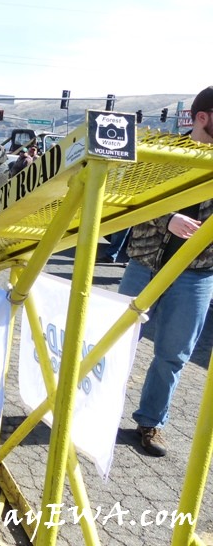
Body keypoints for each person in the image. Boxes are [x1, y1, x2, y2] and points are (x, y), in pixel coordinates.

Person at [118, 86, 213, 457]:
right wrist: (167, 218)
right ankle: (85, 409)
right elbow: (128, 197)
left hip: (197, 275)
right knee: (115, 343)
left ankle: (150, 423)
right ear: (203, 116)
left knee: (173, 354)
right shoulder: (163, 152)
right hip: (144, 266)